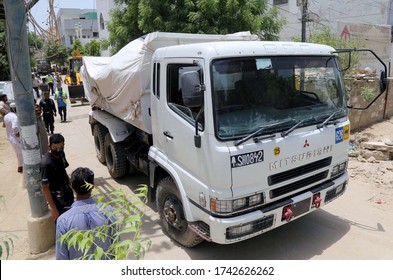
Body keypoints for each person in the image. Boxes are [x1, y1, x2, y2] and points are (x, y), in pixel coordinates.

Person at [56, 167, 115, 260]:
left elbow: (62, 257)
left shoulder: (63, 221)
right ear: (92, 186)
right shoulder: (108, 211)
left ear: (72, 185)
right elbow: (117, 247)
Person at [41, 133, 74, 222]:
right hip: (57, 199)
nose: (58, 150)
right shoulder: (46, 164)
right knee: (63, 222)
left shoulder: (61, 154)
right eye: (55, 148)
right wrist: (54, 209)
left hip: (66, 192)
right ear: (49, 146)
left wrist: (69, 181)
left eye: (61, 148)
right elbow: (45, 188)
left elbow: (63, 169)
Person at [4, 103, 23, 173]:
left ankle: (20, 166)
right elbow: (15, 128)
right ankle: (21, 166)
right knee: (21, 152)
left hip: (10, 137)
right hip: (16, 138)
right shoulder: (15, 116)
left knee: (17, 152)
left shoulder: (6, 116)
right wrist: (18, 133)